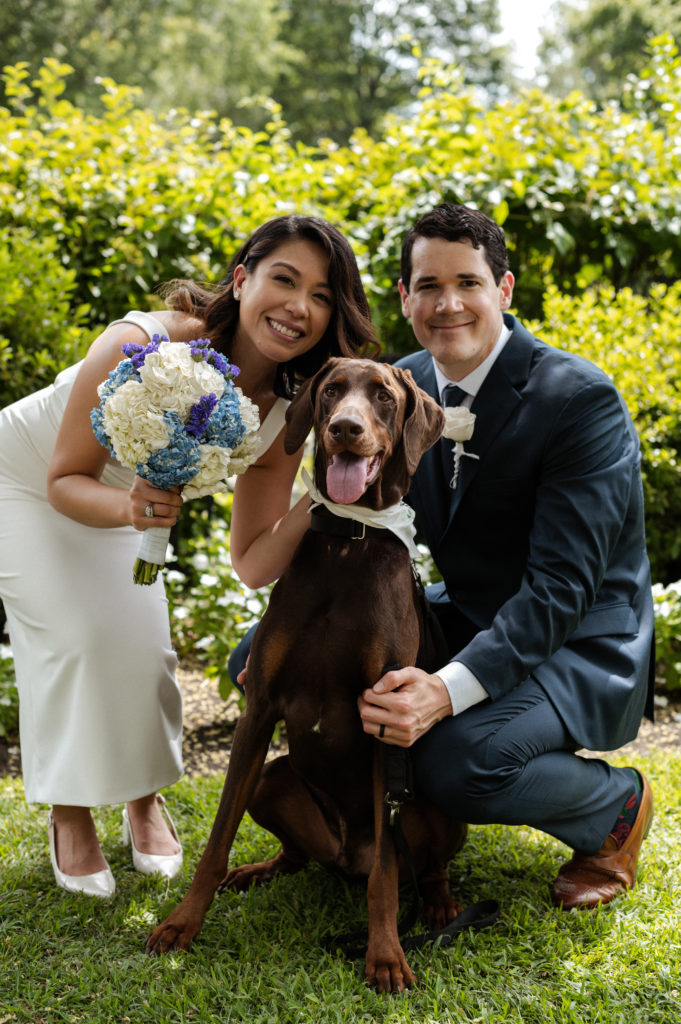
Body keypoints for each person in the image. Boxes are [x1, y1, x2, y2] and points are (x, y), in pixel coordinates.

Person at [0, 214, 379, 898]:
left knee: (145, 652)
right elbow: (64, 480)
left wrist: (321, 498)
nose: (299, 307)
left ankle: (143, 797)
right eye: (283, 280)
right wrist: (131, 508)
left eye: (321, 296)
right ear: (242, 279)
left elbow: (253, 562)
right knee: (75, 640)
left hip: (134, 508)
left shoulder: (284, 412)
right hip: (27, 483)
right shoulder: (139, 344)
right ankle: (69, 811)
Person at [357, 202, 655, 910]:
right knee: (269, 652)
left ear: (504, 290)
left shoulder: (579, 399)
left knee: (460, 764)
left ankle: (614, 808)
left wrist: (444, 690)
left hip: (579, 639)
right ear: (403, 298)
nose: (447, 303)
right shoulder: (398, 385)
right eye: (427, 285)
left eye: (467, 282)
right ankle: (361, 829)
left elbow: (560, 587)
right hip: (466, 612)